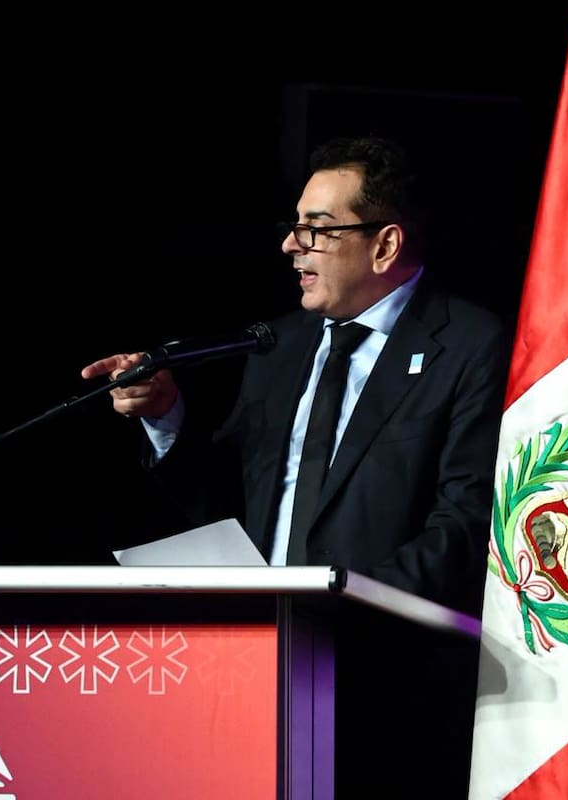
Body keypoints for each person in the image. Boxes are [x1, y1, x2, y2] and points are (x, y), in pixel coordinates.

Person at [82, 136, 510, 797]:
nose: (291, 246)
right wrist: (166, 415)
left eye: (317, 229)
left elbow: (466, 529)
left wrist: (328, 603)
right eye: (295, 226)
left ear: (385, 245)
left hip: (390, 687)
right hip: (254, 679)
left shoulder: (471, 347)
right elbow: (229, 500)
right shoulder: (278, 346)